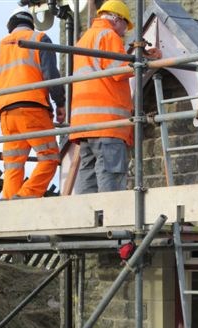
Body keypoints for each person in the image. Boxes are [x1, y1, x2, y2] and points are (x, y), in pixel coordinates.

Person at [69, 0, 161, 194]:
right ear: (117, 19)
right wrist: (143, 62)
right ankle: (111, 222)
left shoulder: (84, 38)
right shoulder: (109, 35)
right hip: (107, 123)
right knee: (110, 175)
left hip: (83, 124)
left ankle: (89, 222)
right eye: (124, 27)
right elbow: (117, 71)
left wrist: (142, 57)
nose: (124, 33)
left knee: (88, 177)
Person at [0, 8, 66, 199]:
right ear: (31, 23)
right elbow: (51, 75)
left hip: (6, 113)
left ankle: (10, 204)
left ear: (10, 26)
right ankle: (25, 196)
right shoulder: (39, 38)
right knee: (50, 157)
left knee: (13, 163)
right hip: (32, 108)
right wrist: (60, 103)